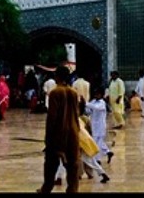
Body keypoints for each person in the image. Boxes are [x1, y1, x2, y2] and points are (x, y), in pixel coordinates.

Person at [37, 65, 81, 194]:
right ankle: (72, 189)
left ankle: (46, 188)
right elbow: (76, 114)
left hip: (58, 133)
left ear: (57, 76)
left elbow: (52, 118)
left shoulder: (55, 93)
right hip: (73, 132)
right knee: (72, 166)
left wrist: (48, 139)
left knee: (50, 165)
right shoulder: (73, 92)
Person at [78, 100, 109, 183]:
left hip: (80, 142)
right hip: (84, 140)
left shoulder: (75, 119)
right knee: (90, 160)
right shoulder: (79, 119)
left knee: (88, 160)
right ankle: (102, 173)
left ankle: (59, 178)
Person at [85, 86, 114, 165]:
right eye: (95, 94)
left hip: (101, 125)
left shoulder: (102, 103)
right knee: (98, 142)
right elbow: (89, 111)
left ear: (101, 95)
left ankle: (97, 160)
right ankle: (108, 152)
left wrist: (86, 103)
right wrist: (85, 106)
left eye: (98, 94)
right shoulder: (93, 101)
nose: (96, 96)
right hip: (94, 125)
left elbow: (96, 108)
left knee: (97, 143)